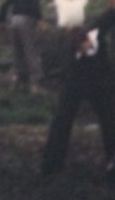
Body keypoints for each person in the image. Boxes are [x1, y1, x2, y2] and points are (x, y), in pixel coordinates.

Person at [41, 22, 115, 185]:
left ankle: (112, 162)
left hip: (100, 81)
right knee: (62, 118)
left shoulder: (98, 39)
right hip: (75, 79)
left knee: (109, 118)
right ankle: (51, 164)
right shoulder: (69, 46)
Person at [0, 0, 49, 93]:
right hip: (26, 20)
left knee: (17, 51)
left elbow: (5, 5)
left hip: (14, 20)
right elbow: (34, 4)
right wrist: (40, 20)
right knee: (32, 50)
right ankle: (35, 84)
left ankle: (17, 80)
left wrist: (2, 21)